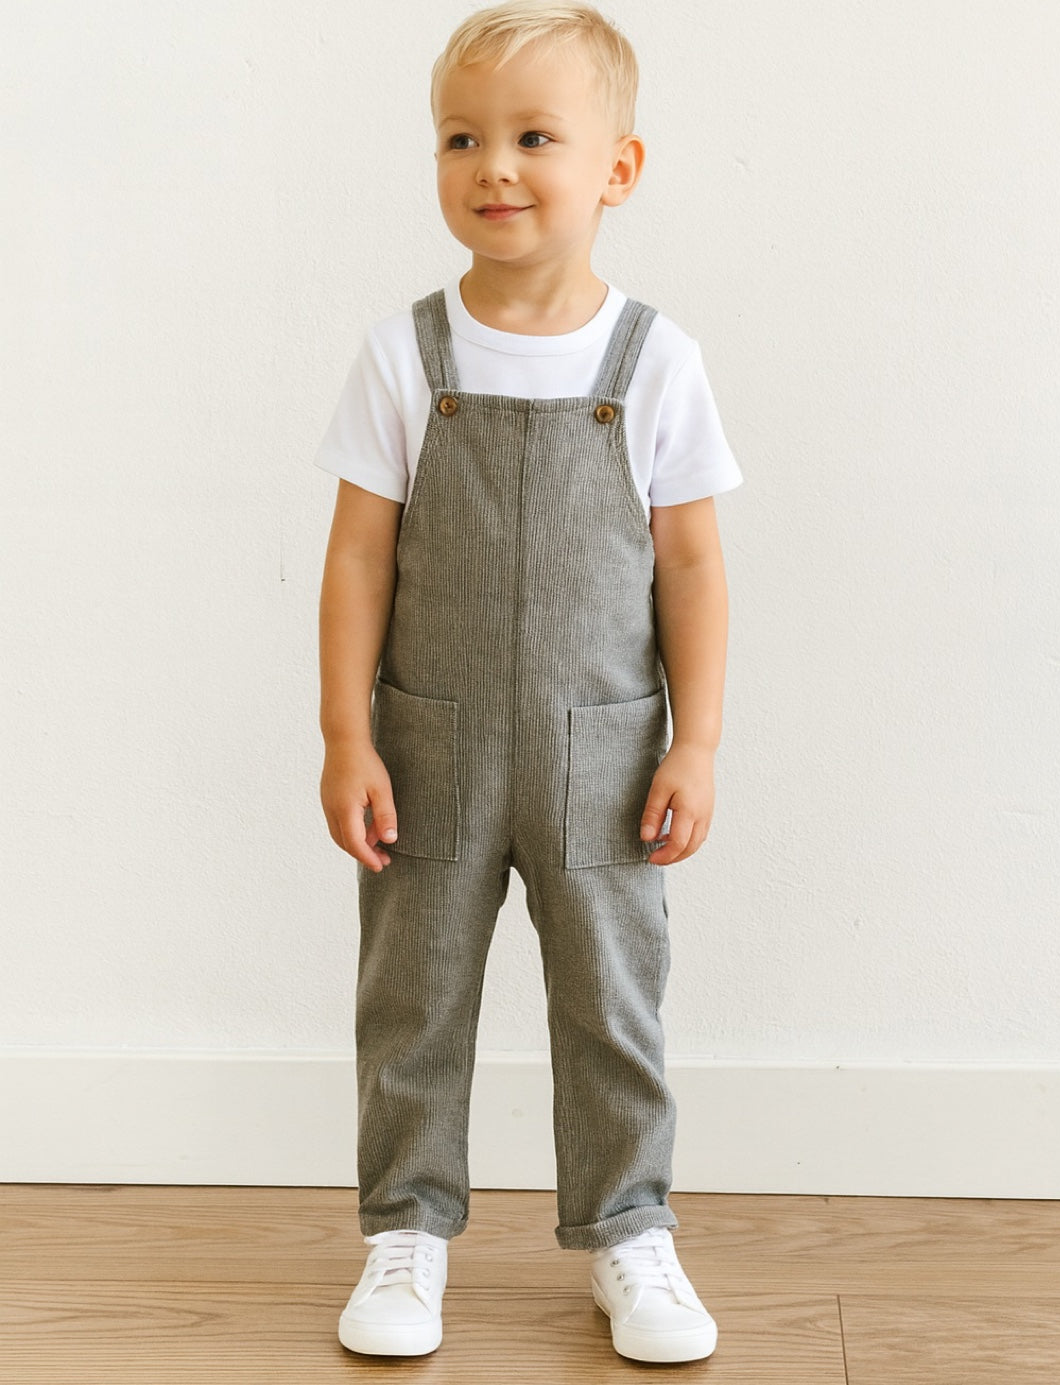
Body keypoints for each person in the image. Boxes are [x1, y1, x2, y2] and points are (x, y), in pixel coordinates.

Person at [314, 0, 742, 1364]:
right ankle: (406, 1233)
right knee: (414, 999)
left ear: (618, 167)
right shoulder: (405, 353)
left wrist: (695, 742)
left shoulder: (657, 362)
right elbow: (357, 558)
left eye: (534, 138)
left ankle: (629, 1230)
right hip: (427, 745)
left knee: (612, 999)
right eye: (461, 138)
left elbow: (691, 564)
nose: (493, 166)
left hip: (602, 755)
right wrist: (345, 735)